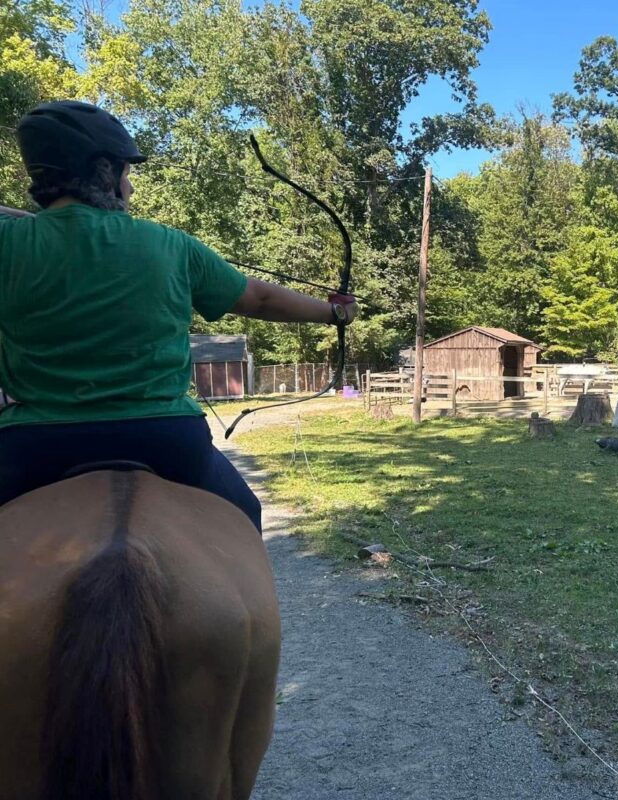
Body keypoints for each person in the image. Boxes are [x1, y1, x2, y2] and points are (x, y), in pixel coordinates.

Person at [0, 100, 358, 534]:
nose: (129, 187)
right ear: (103, 173)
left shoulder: (10, 240)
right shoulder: (168, 244)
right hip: (164, 438)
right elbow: (258, 299)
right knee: (243, 516)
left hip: (36, 445)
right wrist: (334, 313)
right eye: (125, 173)